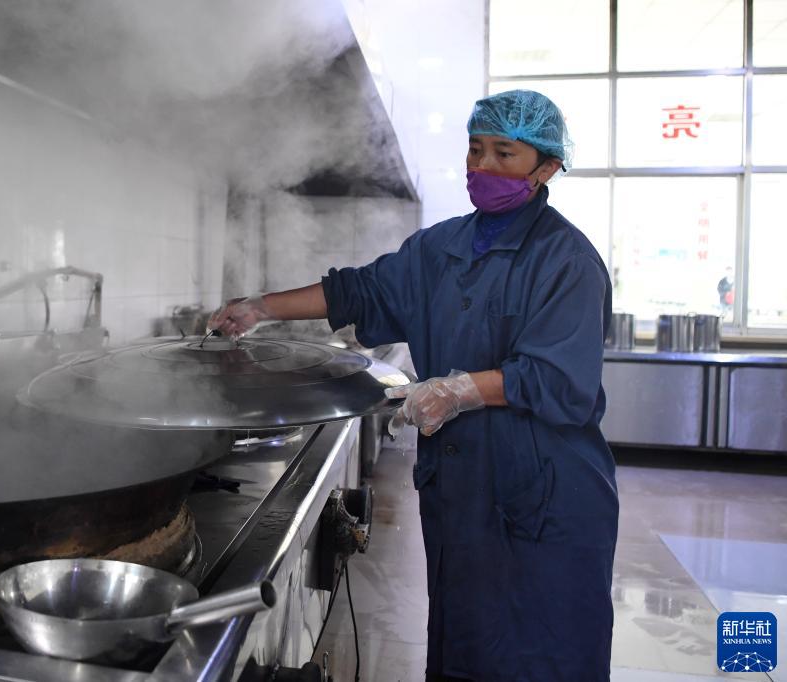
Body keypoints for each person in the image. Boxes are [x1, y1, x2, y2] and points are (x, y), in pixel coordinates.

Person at [210, 90, 618, 681]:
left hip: (544, 493)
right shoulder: (439, 248)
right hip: (462, 488)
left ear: (547, 167)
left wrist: (455, 391)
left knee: (540, 650)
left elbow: (558, 380)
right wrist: (262, 308)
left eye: (504, 154)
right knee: (463, 642)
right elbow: (359, 290)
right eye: (475, 149)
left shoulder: (567, 261)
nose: (482, 166)